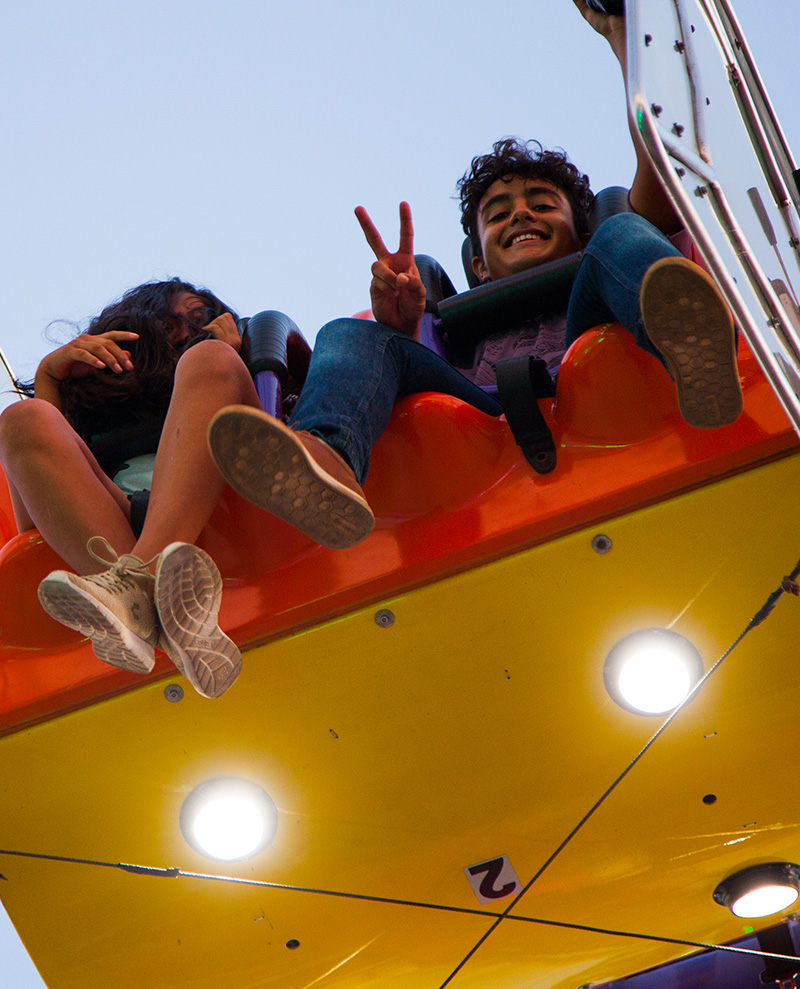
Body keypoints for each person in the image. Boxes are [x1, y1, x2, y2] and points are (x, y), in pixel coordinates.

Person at [206, 0, 742, 550]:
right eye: (499, 214)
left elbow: (661, 152)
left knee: (626, 230)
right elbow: (410, 365)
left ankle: (694, 347)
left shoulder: (602, 245)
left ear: (579, 234)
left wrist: (622, 38)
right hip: (482, 418)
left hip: (598, 369)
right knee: (348, 333)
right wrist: (401, 325)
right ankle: (327, 459)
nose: (521, 214)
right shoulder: (457, 330)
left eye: (541, 203)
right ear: (479, 264)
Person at [0, 279, 266, 698]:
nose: (186, 332)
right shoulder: (96, 415)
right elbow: (41, 508)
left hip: (225, 510)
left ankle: (138, 589)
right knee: (21, 419)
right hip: (115, 528)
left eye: (200, 318)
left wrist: (234, 358)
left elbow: (277, 453)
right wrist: (50, 376)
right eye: (168, 324)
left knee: (209, 359)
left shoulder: (218, 360)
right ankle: (150, 597)